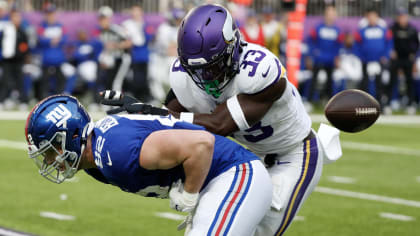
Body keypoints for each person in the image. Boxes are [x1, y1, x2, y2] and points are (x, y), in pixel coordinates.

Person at [102, 4, 332, 236]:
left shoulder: (259, 71)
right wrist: (136, 117)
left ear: (233, 48)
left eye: (212, 67)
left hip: (293, 154)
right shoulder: (184, 75)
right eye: (197, 70)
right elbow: (165, 124)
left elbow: (219, 124)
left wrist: (158, 113)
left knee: (262, 230)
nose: (206, 77)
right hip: (247, 157)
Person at [24, 94, 272, 236]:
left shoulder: (114, 151)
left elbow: (201, 144)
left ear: (71, 135)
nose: (49, 161)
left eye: (50, 150)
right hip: (218, 182)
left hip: (233, 175)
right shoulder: (95, 161)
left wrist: (189, 193)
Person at [354, 7, 393, 107]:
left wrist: (385, 56)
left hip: (379, 61)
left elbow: (389, 43)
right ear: (367, 17)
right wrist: (362, 57)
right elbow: (356, 45)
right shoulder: (362, 31)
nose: (372, 18)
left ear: (377, 17)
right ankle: (364, 105)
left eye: (373, 16)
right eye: (370, 16)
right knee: (364, 83)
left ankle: (381, 105)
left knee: (379, 83)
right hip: (366, 61)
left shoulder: (383, 30)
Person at [94, 6, 131, 105]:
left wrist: (116, 45)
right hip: (112, 59)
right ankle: (111, 103)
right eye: (101, 19)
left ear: (109, 19)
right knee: (109, 81)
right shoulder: (101, 32)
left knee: (116, 82)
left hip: (122, 58)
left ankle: (117, 104)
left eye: (104, 18)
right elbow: (106, 48)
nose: (102, 21)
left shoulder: (116, 29)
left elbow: (129, 43)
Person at [307, 5, 343, 102]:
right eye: (329, 14)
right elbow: (310, 41)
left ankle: (329, 100)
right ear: (325, 15)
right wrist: (311, 55)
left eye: (332, 14)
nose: (330, 16)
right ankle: (310, 100)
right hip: (318, 58)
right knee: (314, 79)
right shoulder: (318, 28)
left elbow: (339, 45)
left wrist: (337, 58)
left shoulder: (337, 30)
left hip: (330, 59)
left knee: (330, 81)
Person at [389, 8, 419, 115]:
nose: (402, 19)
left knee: (409, 81)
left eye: (404, 16)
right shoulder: (392, 28)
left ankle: (410, 104)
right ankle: (389, 103)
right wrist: (391, 51)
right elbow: (388, 41)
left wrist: (413, 54)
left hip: (407, 59)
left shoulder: (412, 29)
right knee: (392, 81)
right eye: (400, 16)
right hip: (396, 58)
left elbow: (416, 44)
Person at [36, 4, 68, 100]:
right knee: (44, 81)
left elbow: (65, 39)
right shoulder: (42, 26)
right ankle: (43, 100)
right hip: (46, 59)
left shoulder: (60, 26)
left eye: (52, 14)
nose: (50, 16)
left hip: (58, 59)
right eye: (48, 14)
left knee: (60, 80)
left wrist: (49, 40)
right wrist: (52, 40)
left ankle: (58, 99)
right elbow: (40, 39)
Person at [122, 5, 152, 102]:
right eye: (134, 11)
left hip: (144, 56)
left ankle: (144, 98)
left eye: (137, 11)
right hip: (133, 56)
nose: (135, 14)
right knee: (135, 78)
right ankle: (136, 97)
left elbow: (146, 38)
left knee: (144, 78)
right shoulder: (128, 24)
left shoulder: (145, 24)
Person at [0, 9, 29, 110]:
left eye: (18, 17)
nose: (16, 19)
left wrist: (20, 53)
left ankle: (23, 101)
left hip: (18, 60)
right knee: (5, 80)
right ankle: (2, 100)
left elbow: (25, 46)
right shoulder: (5, 30)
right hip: (7, 60)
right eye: (14, 17)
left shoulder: (22, 31)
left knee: (20, 80)